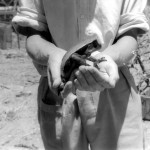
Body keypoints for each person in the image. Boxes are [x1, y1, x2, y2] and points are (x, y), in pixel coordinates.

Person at [12, 0, 149, 150]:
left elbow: (130, 36)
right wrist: (51, 54)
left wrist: (109, 58)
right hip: (61, 85)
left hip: (113, 81)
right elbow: (33, 35)